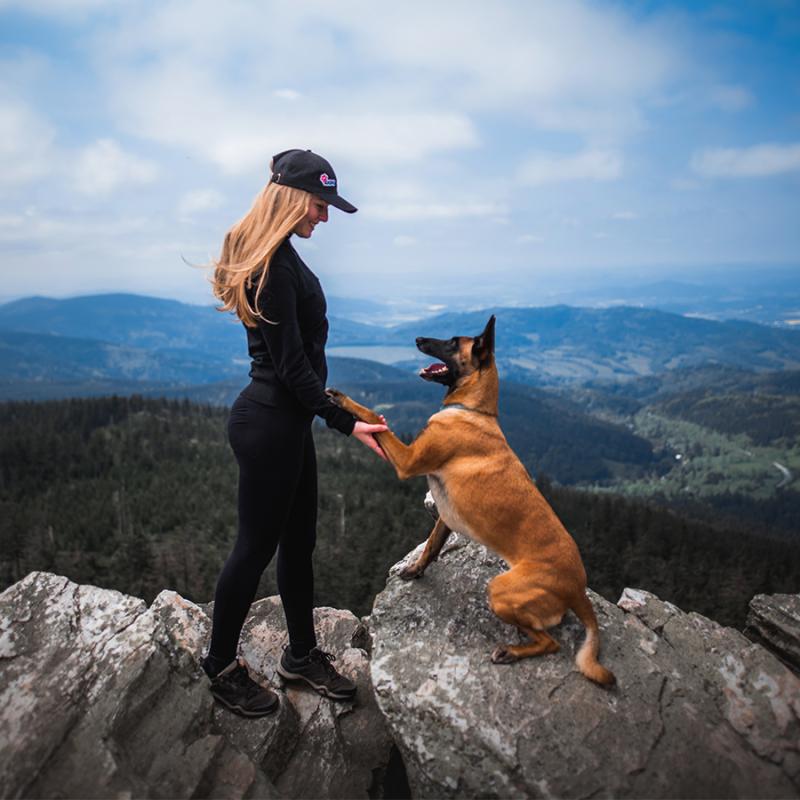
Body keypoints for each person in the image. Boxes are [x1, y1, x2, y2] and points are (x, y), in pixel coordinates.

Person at [203, 148, 387, 717]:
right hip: (269, 426)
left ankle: (301, 654)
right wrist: (345, 421)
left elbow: (295, 368)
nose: (324, 217)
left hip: (284, 424)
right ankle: (219, 666)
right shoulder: (275, 266)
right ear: (289, 197)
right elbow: (290, 368)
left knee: (298, 543)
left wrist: (327, 411)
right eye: (319, 203)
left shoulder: (277, 256)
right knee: (254, 548)